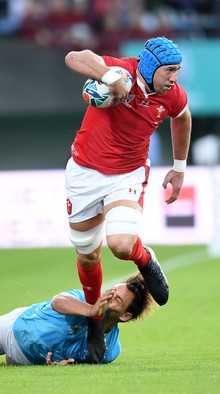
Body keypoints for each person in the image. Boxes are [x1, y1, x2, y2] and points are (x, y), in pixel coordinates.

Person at [64, 37, 192, 362]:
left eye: (178, 70)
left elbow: (183, 118)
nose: (174, 77)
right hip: (84, 174)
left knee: (120, 245)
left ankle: (144, 258)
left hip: (128, 175)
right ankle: (94, 318)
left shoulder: (171, 95)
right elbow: (74, 56)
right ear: (150, 67)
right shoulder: (122, 71)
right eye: (169, 70)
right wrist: (108, 77)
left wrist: (179, 168)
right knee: (88, 257)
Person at [0, 273, 153, 366]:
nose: (109, 297)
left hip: (29, 360)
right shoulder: (87, 300)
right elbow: (58, 301)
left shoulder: (111, 351)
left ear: (126, 316)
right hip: (13, 328)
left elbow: (82, 361)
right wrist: (90, 310)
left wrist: (64, 364)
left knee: (7, 363)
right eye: (113, 291)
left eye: (117, 299)